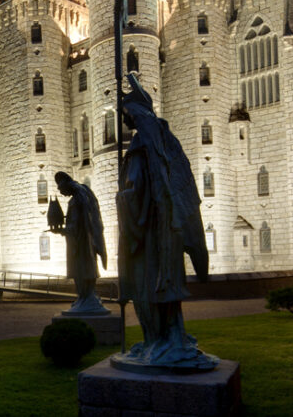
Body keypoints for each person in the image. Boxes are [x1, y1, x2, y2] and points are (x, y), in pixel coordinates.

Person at [114, 74, 218, 369]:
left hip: (151, 238)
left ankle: (160, 342)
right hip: (167, 231)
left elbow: (136, 191)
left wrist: (122, 198)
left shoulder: (141, 144)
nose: (123, 119)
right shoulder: (165, 142)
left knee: (148, 290)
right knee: (165, 289)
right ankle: (167, 339)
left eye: (125, 113)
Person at [54, 171, 108, 315]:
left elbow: (77, 225)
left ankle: (86, 298)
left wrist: (62, 231)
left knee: (81, 269)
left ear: (65, 184)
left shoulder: (77, 199)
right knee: (85, 268)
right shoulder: (82, 193)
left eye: (60, 189)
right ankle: (85, 297)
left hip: (81, 244)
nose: (60, 193)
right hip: (85, 242)